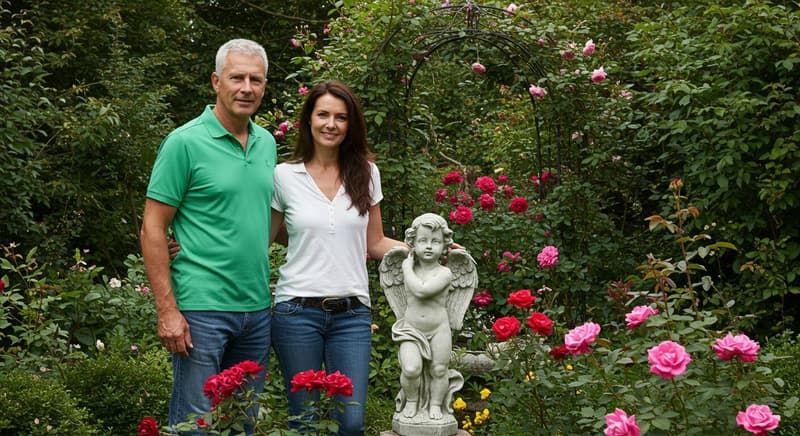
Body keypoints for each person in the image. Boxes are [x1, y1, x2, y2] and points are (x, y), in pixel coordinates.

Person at [140, 38, 275, 434]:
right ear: (216, 81)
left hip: (256, 309)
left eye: (255, 80)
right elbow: (152, 227)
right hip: (201, 310)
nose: (246, 88)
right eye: (237, 78)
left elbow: (264, 220)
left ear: (265, 86)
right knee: (195, 426)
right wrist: (167, 311)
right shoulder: (184, 143)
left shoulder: (267, 143)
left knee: (242, 424)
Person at [269, 79, 404, 435]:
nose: (331, 124)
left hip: (352, 315)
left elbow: (376, 242)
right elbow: (261, 239)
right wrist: (190, 245)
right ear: (308, 120)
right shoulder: (284, 176)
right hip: (296, 312)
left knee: (351, 421)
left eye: (340, 117)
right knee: (304, 420)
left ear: (350, 124)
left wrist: (429, 253)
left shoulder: (367, 173)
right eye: (323, 115)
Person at [397, 213, 455, 420]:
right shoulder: (411, 270)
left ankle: (436, 404)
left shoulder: (444, 273)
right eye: (423, 240)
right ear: (413, 243)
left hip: (439, 329)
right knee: (411, 369)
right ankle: (411, 401)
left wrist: (406, 268)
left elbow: (421, 291)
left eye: (436, 241)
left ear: (445, 244)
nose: (429, 246)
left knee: (439, 370)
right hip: (410, 329)